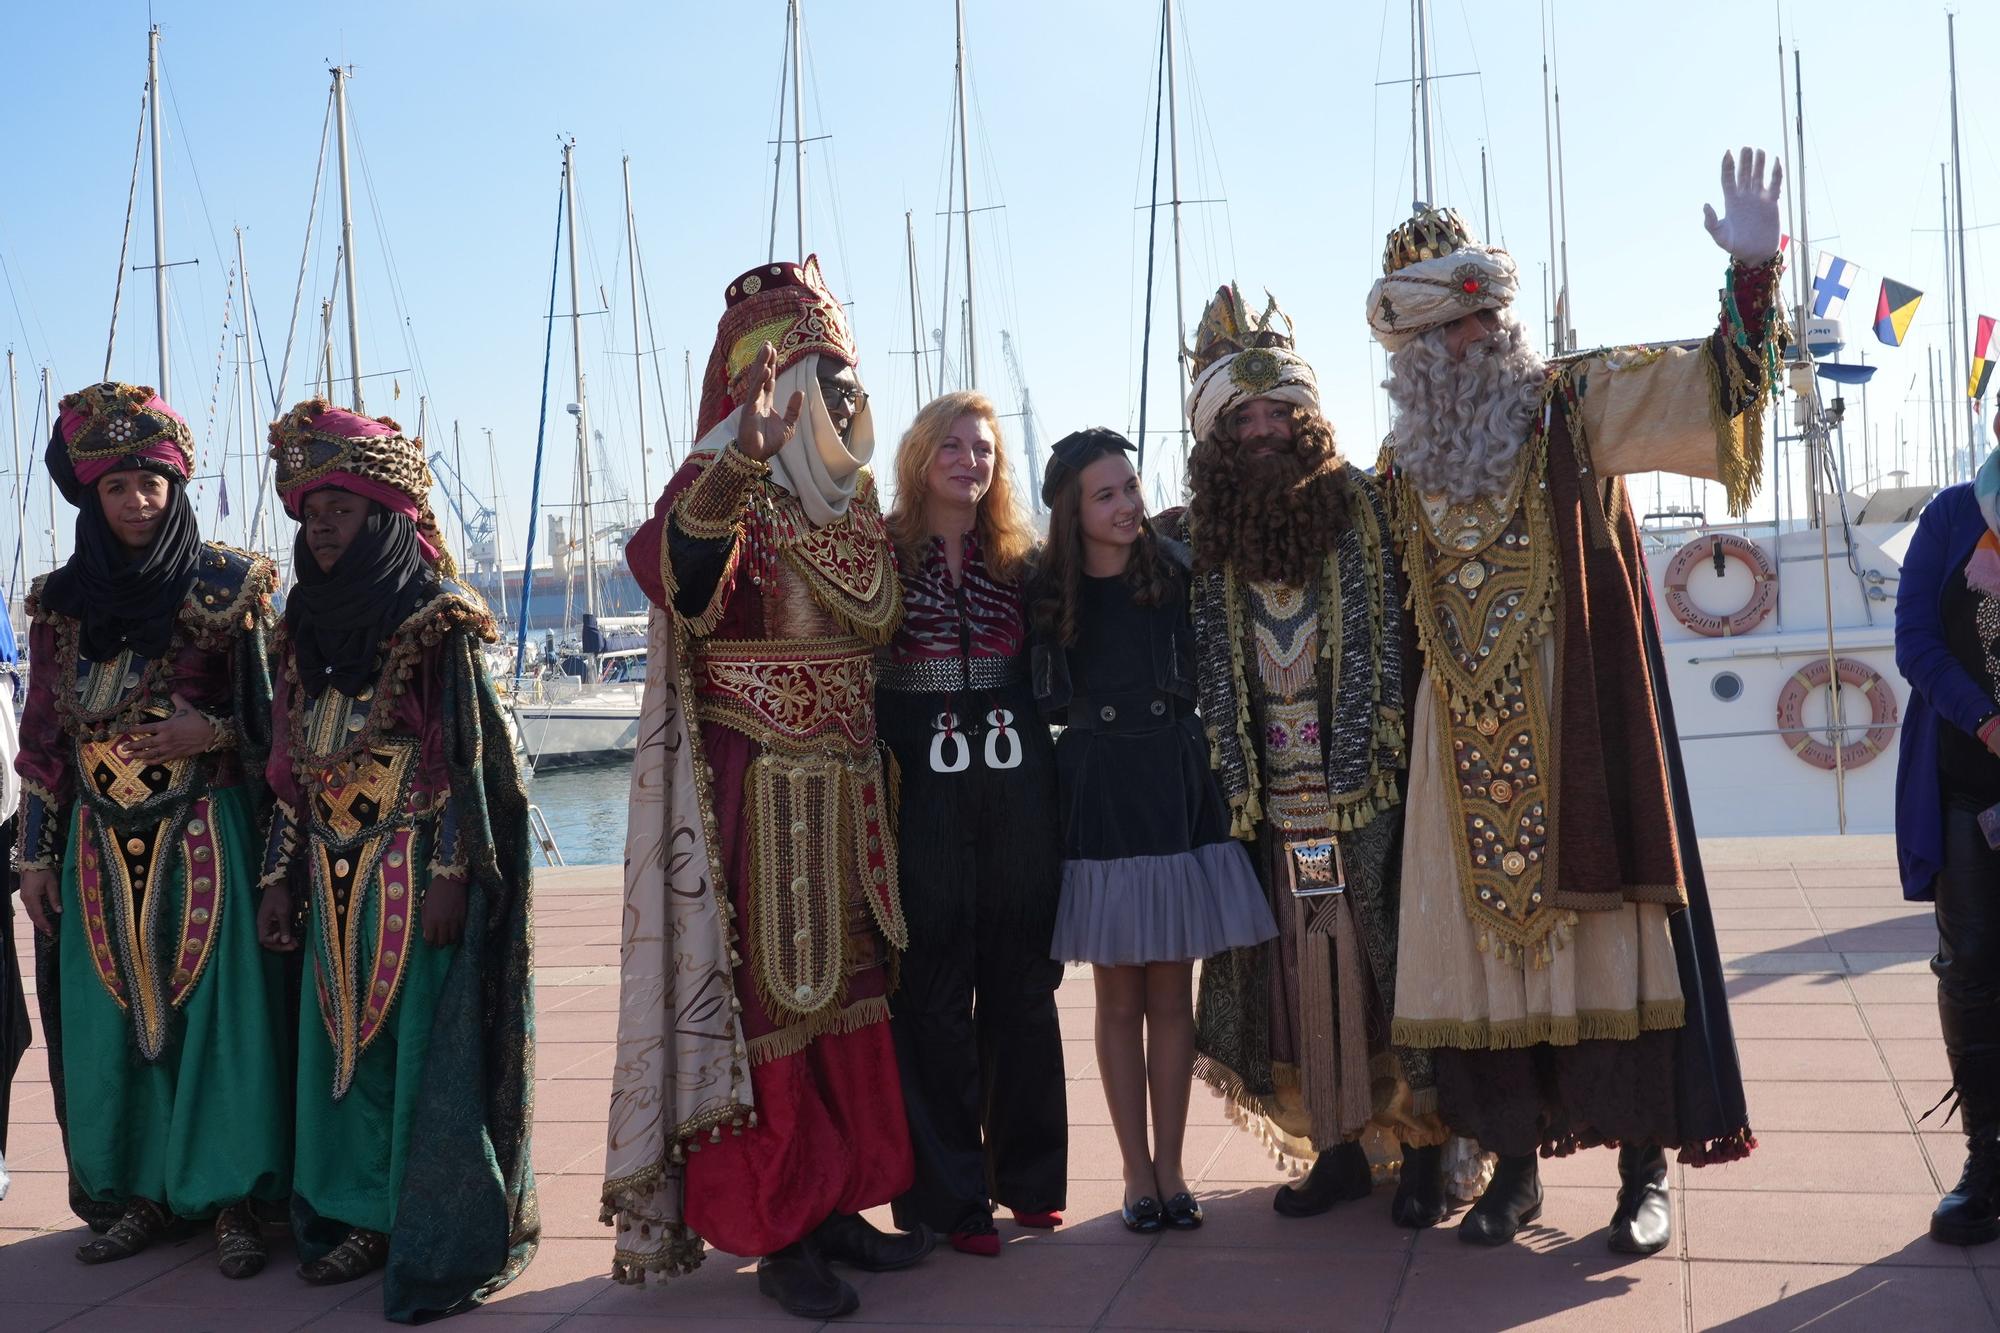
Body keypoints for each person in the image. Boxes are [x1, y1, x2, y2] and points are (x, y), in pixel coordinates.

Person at [1368, 150, 1781, 1250]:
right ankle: (1511, 1170)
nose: (1475, 340)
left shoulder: (1573, 402)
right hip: (1450, 753)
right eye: (1448, 331)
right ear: (1407, 353)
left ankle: (1641, 1172)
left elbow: (1712, 386)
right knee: (1483, 966)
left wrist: (1751, 275)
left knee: (1611, 950)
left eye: (1486, 317)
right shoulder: (1397, 466)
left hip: (1577, 734)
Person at [603, 256, 931, 1322]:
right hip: (760, 789)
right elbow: (674, 575)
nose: (838, 391)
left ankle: (838, 1205)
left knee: (851, 997)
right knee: (774, 1009)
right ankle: (781, 1230)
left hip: (847, 789)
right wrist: (736, 466)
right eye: (815, 372)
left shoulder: (850, 502)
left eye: (843, 371)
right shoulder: (722, 488)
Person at [1170, 287, 1450, 1225]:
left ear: (1307, 418)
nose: (1263, 430)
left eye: (1277, 412)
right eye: (1241, 417)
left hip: (1371, 793)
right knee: (1295, 982)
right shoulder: (1202, 541)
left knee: (1387, 970)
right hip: (1269, 808)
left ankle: (1423, 1148)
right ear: (1217, 435)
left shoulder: (1370, 509)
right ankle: (1337, 1145)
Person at [257, 399, 537, 1319]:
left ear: (380, 512)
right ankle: (349, 1214)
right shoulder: (300, 620)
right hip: (330, 869)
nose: (321, 525)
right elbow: (292, 767)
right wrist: (277, 876)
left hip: (415, 873)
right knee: (340, 1052)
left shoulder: (434, 615)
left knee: (417, 1052)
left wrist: (455, 870)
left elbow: (465, 758)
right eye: (308, 511)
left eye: (338, 506)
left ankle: (408, 1218)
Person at [14, 381, 287, 1275]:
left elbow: (282, 724)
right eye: (119, 488)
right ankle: (139, 1192)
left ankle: (233, 1202)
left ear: (177, 488)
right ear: (93, 498)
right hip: (94, 844)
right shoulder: (61, 604)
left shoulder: (229, 586)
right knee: (109, 1025)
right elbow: (44, 740)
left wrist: (213, 733)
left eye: (153, 485)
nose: (138, 503)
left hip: (207, 831)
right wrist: (34, 857)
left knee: (220, 1021)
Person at [1031, 427, 1276, 1233]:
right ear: (1073, 510)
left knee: (1173, 989)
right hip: (1099, 788)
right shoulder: (1047, 591)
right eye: (1106, 494)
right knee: (1117, 994)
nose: (1127, 504)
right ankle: (1135, 1172)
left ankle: (1171, 1166)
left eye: (1130, 487)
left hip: (1175, 779)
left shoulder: (1175, 571)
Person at [879, 391, 1066, 1254]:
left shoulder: (1022, 563)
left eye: (983, 449)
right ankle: (950, 1198)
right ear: (921, 457)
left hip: (1017, 774)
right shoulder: (877, 554)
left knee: (1024, 980)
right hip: (919, 781)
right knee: (934, 987)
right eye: (952, 446)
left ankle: (1028, 1179)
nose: (969, 460)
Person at [1894, 418, 2000, 1246]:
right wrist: (1987, 721)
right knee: (1970, 973)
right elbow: (1916, 642)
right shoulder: (1952, 515)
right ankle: (1986, 1163)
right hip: (1969, 785)